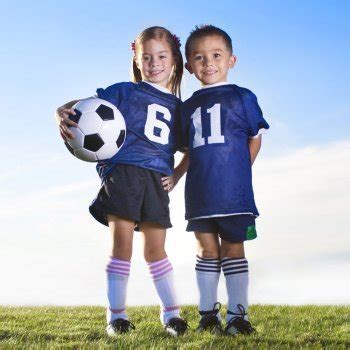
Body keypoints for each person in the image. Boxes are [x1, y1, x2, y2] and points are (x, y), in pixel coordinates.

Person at [55, 26, 188, 337]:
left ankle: (172, 316)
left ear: (174, 60)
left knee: (157, 250)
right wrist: (58, 112)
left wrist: (178, 173)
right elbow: (82, 107)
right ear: (136, 58)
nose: (154, 63)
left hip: (157, 180)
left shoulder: (180, 109)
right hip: (122, 174)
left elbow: (192, 149)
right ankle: (116, 316)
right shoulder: (123, 92)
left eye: (161, 56)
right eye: (147, 57)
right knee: (122, 247)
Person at [178, 25, 269, 335]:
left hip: (235, 195)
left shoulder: (243, 97)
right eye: (200, 57)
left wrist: (241, 171)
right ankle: (207, 314)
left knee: (234, 249)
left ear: (231, 60)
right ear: (189, 66)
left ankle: (237, 317)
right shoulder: (187, 107)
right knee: (206, 251)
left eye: (216, 55)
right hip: (200, 194)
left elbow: (255, 139)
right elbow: (188, 151)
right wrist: (176, 176)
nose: (209, 63)